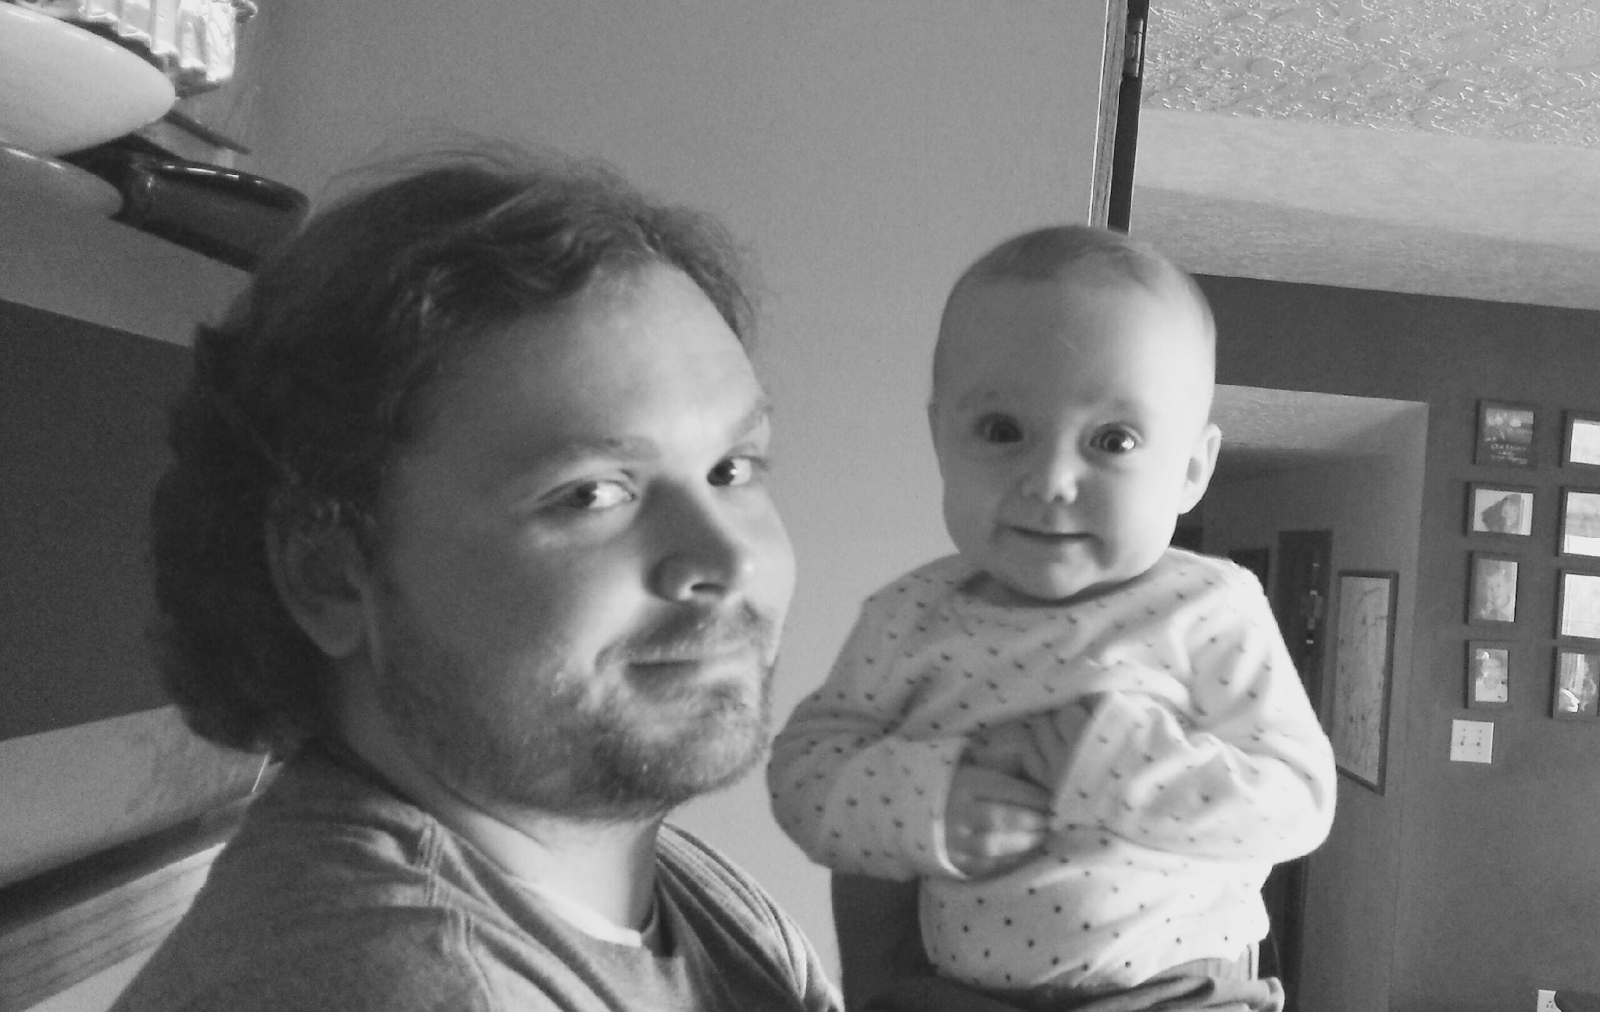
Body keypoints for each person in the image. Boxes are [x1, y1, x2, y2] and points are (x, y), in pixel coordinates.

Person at [112, 147, 840, 1012]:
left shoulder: (661, 888)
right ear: (331, 575)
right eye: (593, 494)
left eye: (732, 469)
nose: (729, 560)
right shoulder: (408, 984)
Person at [766, 226, 1336, 1012]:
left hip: (1174, 994)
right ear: (941, 440)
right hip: (958, 994)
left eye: (1113, 440)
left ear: (1191, 470)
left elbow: (1297, 803)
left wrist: (1123, 765)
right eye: (1003, 432)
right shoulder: (909, 617)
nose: (1052, 479)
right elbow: (805, 772)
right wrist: (926, 801)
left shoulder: (1209, 607)